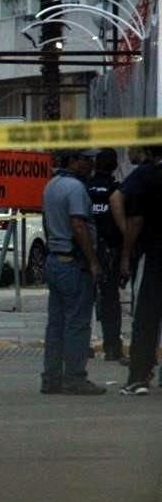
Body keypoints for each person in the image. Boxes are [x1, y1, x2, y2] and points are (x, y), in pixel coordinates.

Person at [39, 150, 105, 395]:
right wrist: (93, 261)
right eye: (87, 159)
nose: (91, 164)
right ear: (74, 161)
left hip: (55, 260)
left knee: (56, 324)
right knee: (77, 324)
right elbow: (78, 224)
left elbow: (47, 221)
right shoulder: (76, 188)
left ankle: (51, 378)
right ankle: (75, 378)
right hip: (73, 263)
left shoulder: (51, 185)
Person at [115, 146, 162, 395]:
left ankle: (139, 376)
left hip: (153, 255)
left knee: (145, 318)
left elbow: (135, 219)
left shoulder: (145, 176)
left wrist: (126, 253)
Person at [87, 148, 126, 363]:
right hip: (110, 251)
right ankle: (112, 347)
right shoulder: (116, 190)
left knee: (85, 299)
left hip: (87, 250)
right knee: (111, 299)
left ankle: (83, 345)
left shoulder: (85, 188)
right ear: (114, 166)